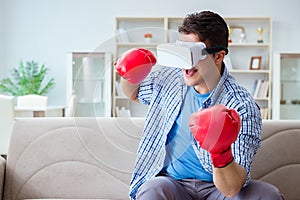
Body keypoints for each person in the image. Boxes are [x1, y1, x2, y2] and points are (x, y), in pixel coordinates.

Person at [115, 11, 284, 200]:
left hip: (218, 189)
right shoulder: (169, 79)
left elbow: (231, 189)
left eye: (193, 54)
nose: (186, 65)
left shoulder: (241, 105)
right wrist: (130, 74)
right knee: (152, 189)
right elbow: (134, 93)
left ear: (218, 56)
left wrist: (220, 151)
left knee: (268, 195)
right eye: (182, 53)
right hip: (173, 184)